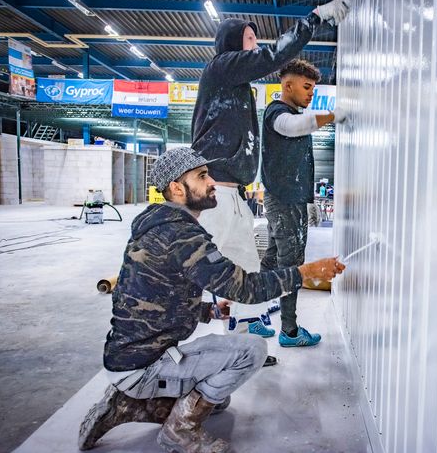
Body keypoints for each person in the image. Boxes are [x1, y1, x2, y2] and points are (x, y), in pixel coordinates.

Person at [78, 148, 346, 452]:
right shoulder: (180, 235)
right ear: (177, 189)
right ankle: (179, 431)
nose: (212, 182)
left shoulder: (157, 224)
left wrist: (206, 310)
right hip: (144, 364)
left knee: (218, 402)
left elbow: (148, 293)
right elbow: (246, 289)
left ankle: (127, 406)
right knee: (251, 351)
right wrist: (304, 272)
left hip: (127, 358)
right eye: (202, 176)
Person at [191, 0, 351, 339]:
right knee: (201, 265)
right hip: (216, 189)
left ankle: (247, 328)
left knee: (245, 262)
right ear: (233, 44)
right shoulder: (223, 68)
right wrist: (315, 18)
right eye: (250, 40)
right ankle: (173, 321)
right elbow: (271, 56)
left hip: (232, 192)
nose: (256, 47)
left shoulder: (236, 87)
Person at [261, 59, 347, 347]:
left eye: (313, 88)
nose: (311, 93)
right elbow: (293, 126)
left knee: (273, 259)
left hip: (290, 200)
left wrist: (309, 202)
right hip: (284, 201)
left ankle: (254, 315)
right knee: (291, 264)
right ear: (288, 85)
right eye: (307, 87)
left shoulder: (292, 112)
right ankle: (289, 331)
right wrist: (334, 116)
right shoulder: (278, 112)